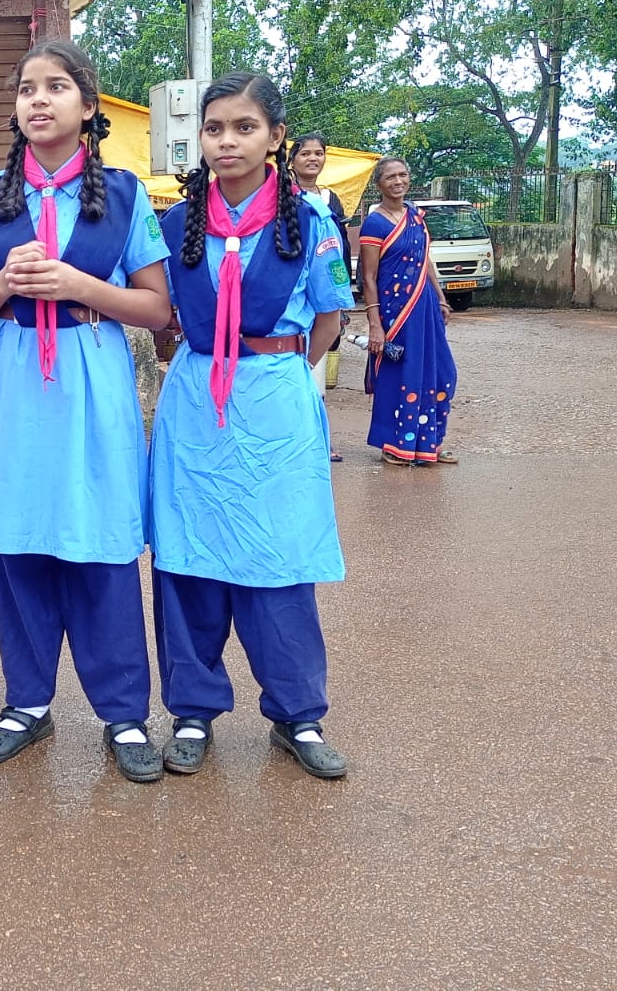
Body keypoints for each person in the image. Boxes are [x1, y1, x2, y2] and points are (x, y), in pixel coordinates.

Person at [0, 41, 172, 783]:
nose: (39, 101)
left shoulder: (127, 196)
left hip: (90, 381)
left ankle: (123, 713)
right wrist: (5, 285)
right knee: (18, 546)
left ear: (88, 105)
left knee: (101, 545)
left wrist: (78, 281)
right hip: (13, 386)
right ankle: (28, 703)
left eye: (56, 87)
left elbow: (155, 308)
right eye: (27, 90)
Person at [149, 72, 356, 781]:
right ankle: (192, 711)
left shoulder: (312, 219)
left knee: (278, 561)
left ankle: (297, 714)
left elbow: (329, 319)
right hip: (195, 406)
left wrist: (289, 379)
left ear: (275, 136)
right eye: (214, 129)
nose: (227, 141)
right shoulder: (176, 223)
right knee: (187, 558)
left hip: (274, 396)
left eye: (244, 127)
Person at [359, 155, 459, 466]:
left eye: (402, 175)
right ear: (379, 184)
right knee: (401, 374)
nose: (398, 181)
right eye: (391, 177)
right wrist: (375, 323)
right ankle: (394, 443)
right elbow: (369, 277)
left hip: (424, 307)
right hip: (395, 313)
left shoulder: (415, 216)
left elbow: (424, 260)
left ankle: (429, 441)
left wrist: (441, 297)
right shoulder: (375, 222)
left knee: (441, 373)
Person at [288, 133, 352, 460]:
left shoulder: (330, 199)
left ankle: (319, 437)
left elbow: (339, 247)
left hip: (324, 290)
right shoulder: (285, 195)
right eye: (306, 154)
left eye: (319, 153)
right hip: (297, 292)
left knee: (318, 367)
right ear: (292, 159)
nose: (313, 159)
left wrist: (340, 298)